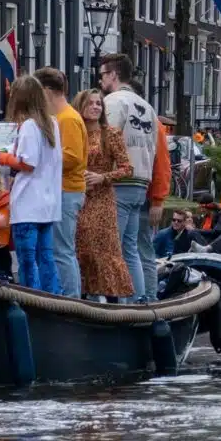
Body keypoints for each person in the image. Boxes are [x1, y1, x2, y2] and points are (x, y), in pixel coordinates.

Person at [98, 53, 171, 302]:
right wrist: (157, 195)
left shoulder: (114, 102)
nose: (100, 81)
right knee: (131, 249)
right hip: (140, 184)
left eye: (102, 75)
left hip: (119, 182)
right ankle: (141, 301)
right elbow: (159, 155)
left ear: (113, 75)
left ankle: (116, 305)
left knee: (112, 248)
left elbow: (106, 141)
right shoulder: (148, 109)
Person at [0, 75, 62, 294]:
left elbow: (28, 163)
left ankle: (31, 300)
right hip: (48, 204)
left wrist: (4, 158)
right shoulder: (52, 124)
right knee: (46, 258)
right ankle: (52, 298)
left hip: (28, 204)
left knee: (27, 260)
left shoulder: (28, 126)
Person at [76, 88, 135, 300]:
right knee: (79, 246)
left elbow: (127, 168)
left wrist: (103, 177)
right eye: (90, 103)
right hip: (77, 196)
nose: (95, 107)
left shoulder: (110, 133)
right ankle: (80, 300)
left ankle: (112, 301)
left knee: (103, 248)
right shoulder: (75, 131)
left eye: (98, 103)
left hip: (102, 198)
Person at [36, 68, 88, 297]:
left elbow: (72, 157)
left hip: (67, 191)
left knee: (62, 250)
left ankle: (70, 299)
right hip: (64, 190)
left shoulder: (67, 119)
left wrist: (39, 160)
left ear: (47, 91)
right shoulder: (63, 118)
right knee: (61, 249)